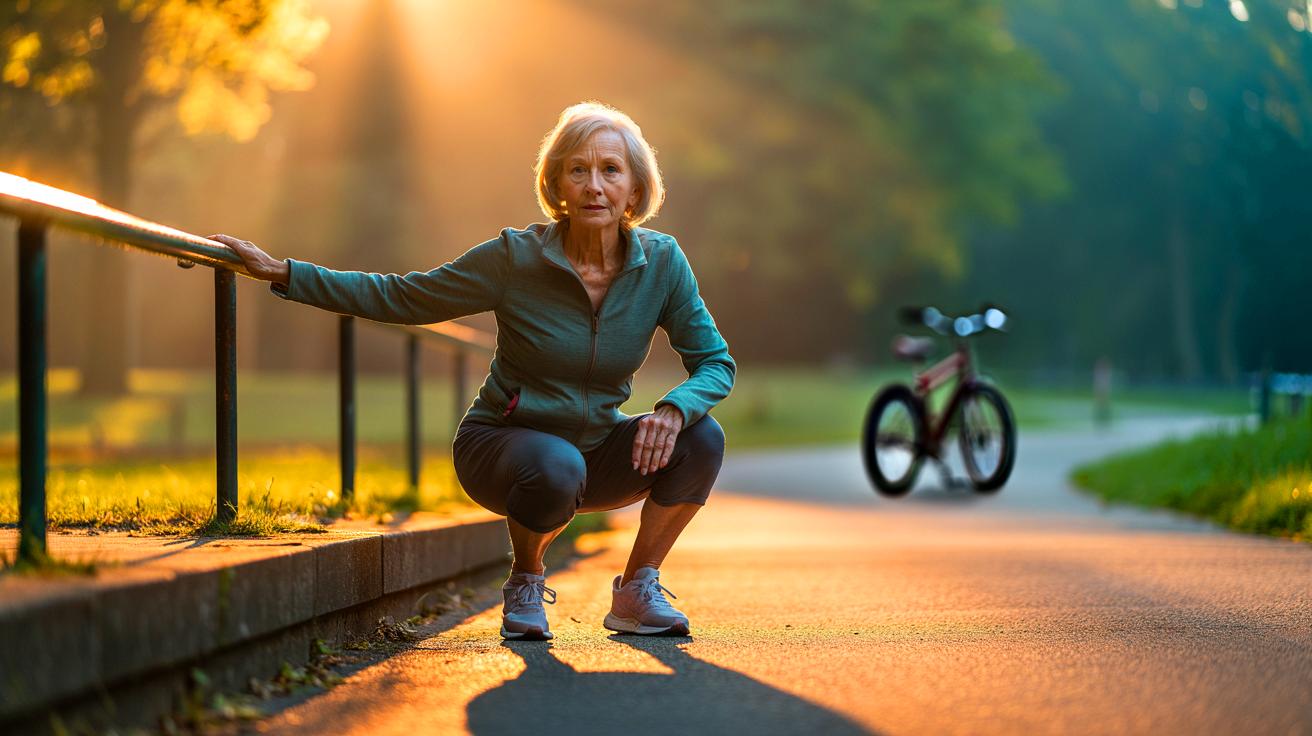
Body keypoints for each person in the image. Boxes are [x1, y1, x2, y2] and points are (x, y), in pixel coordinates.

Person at [212, 101, 735, 640]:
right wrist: (284, 272)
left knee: (702, 437)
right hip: (503, 445)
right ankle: (526, 580)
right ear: (557, 184)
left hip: (596, 449)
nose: (594, 186)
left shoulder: (662, 262)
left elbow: (714, 361)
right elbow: (405, 296)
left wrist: (675, 409)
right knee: (556, 463)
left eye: (610, 170)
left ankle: (635, 591)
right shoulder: (515, 257)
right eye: (578, 170)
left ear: (634, 188)